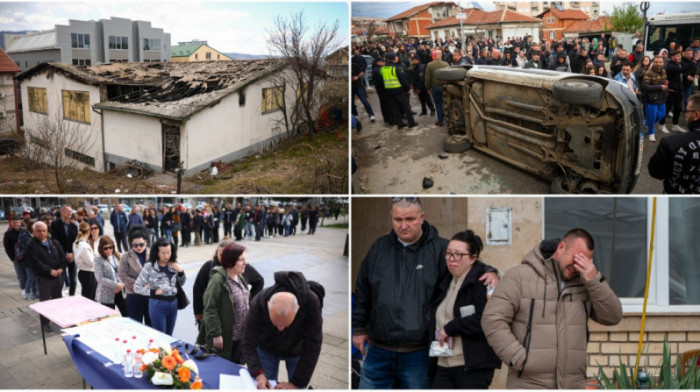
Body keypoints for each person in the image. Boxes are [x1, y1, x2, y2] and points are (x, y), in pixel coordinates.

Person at [352, 197, 499, 389]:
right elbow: (363, 291)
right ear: (391, 217)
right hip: (379, 350)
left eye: (410, 219)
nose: (403, 226)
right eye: (398, 220)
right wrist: (359, 329)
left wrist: (491, 271)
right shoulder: (379, 248)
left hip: (419, 353)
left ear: (422, 217)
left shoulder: (440, 249)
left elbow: (466, 264)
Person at [481, 228, 622, 389]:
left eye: (585, 262)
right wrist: (519, 359)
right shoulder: (519, 277)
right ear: (561, 247)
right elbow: (492, 319)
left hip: (572, 385)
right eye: (576, 258)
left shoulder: (587, 284)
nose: (578, 266)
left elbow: (613, 316)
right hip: (529, 383)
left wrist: (594, 279)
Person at [429, 230, 501, 389]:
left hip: (471, 366)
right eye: (448, 253)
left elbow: (486, 318)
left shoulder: (482, 281)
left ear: (473, 258)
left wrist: (451, 327)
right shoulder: (446, 279)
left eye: (458, 255)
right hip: (443, 362)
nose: (451, 259)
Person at [242, 271, 323, 390]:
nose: (280, 329)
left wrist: (297, 383)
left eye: (286, 325)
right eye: (275, 324)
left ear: (298, 309)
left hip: (297, 348)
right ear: (268, 305)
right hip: (266, 347)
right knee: (264, 385)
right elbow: (248, 340)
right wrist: (258, 373)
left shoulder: (311, 302)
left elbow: (313, 344)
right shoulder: (259, 301)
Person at [193, 239, 264, 325]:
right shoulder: (209, 268)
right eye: (221, 254)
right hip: (216, 320)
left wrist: (250, 301)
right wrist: (198, 312)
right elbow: (198, 288)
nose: (223, 258)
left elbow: (259, 281)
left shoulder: (242, 267)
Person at [199, 242, 249, 364]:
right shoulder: (217, 280)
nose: (245, 263)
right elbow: (210, 308)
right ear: (231, 261)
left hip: (240, 338)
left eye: (245, 259)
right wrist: (216, 334)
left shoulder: (239, 277)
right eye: (241, 260)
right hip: (226, 338)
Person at [648, 93, 700, 193]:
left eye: (687, 111)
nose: (685, 115)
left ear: (696, 115)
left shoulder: (671, 143)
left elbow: (655, 172)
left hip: (674, 201)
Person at [134, 237, 184, 336]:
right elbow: (137, 287)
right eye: (163, 253)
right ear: (157, 253)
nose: (166, 256)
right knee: (161, 337)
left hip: (173, 304)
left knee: (170, 337)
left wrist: (181, 272)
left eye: (168, 252)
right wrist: (153, 292)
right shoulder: (149, 266)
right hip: (158, 305)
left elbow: (180, 284)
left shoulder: (173, 264)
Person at [25, 221, 66, 332]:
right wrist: (49, 270)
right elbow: (35, 262)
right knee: (45, 302)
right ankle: (45, 323)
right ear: (34, 232)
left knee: (57, 300)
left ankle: (57, 319)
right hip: (44, 278)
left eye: (44, 230)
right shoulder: (30, 245)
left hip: (58, 276)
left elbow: (62, 256)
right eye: (39, 231)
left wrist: (61, 268)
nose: (42, 233)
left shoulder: (53, 242)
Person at [117, 226, 151, 325]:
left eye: (141, 244)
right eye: (135, 245)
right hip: (133, 296)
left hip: (150, 295)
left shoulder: (154, 254)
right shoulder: (125, 256)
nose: (138, 247)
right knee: (135, 325)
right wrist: (139, 284)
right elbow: (122, 275)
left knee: (152, 327)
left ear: (146, 242)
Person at [379, 52, 416, 129]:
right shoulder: (395, 68)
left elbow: (382, 81)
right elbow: (402, 80)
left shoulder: (382, 69)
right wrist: (408, 89)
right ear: (394, 59)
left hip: (389, 91)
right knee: (406, 107)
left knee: (395, 108)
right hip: (398, 90)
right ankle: (411, 123)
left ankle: (400, 124)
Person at [4, 215, 37, 300]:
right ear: (11, 223)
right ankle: (24, 289)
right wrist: (12, 258)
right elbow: (7, 247)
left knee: (29, 275)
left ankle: (31, 290)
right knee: (21, 275)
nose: (16, 224)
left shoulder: (24, 231)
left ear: (20, 222)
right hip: (16, 258)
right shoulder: (8, 233)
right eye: (14, 222)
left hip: (26, 257)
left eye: (17, 222)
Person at [94, 236, 127, 316]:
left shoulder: (118, 256)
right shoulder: (98, 260)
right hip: (106, 294)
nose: (108, 250)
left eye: (110, 247)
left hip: (121, 292)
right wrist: (115, 285)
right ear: (101, 249)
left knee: (127, 315)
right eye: (105, 248)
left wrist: (121, 285)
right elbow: (100, 278)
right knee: (109, 319)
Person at [49, 204, 77, 296]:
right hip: (61, 257)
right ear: (61, 212)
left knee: (73, 280)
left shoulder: (74, 226)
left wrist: (72, 254)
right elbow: (55, 241)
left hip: (72, 257)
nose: (70, 213)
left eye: (71, 211)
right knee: (60, 281)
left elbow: (76, 242)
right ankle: (58, 298)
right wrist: (65, 254)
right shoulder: (55, 224)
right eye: (67, 211)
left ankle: (72, 297)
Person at [641, 56, 670, 142]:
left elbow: (664, 82)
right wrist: (660, 87)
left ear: (663, 63)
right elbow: (645, 86)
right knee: (652, 116)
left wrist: (665, 85)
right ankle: (651, 133)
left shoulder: (664, 71)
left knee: (662, 114)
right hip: (651, 99)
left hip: (662, 97)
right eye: (656, 62)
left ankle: (647, 123)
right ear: (653, 62)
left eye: (660, 62)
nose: (658, 64)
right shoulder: (648, 73)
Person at [658, 50, 686, 134]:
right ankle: (661, 125)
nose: (679, 57)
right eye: (677, 56)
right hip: (670, 91)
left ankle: (675, 125)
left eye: (680, 56)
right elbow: (683, 70)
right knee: (666, 109)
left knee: (678, 109)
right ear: (672, 57)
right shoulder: (670, 65)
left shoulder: (679, 64)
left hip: (678, 91)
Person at [425, 49, 449, 126]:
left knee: (438, 104)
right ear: (441, 55)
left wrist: (427, 87)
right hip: (445, 87)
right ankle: (447, 119)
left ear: (434, 56)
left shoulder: (430, 65)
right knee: (445, 103)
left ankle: (440, 121)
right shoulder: (446, 64)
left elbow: (427, 78)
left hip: (435, 87)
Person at [73, 222, 97, 301]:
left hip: (83, 272)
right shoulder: (83, 245)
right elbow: (90, 262)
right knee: (90, 298)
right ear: (88, 231)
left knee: (87, 296)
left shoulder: (76, 243)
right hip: (88, 273)